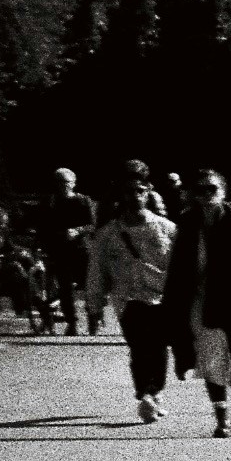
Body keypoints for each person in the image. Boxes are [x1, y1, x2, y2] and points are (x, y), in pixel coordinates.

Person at [163, 170, 231, 436]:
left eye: (212, 189)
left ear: (222, 191)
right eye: (200, 190)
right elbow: (176, 265)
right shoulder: (187, 222)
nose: (207, 195)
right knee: (210, 360)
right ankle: (220, 416)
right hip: (202, 301)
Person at [85, 180, 176, 423]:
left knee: (158, 348)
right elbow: (97, 270)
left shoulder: (166, 229)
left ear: (148, 193)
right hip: (126, 299)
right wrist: (94, 303)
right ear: (121, 196)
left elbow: (180, 268)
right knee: (138, 346)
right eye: (129, 191)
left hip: (159, 298)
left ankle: (155, 391)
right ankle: (144, 395)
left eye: (140, 191)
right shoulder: (108, 234)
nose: (135, 196)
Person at [36, 168, 97, 335]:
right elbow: (42, 227)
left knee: (90, 286)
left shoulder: (84, 201)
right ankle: (72, 322)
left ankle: (93, 318)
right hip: (60, 250)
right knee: (64, 288)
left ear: (74, 184)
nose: (63, 186)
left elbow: (93, 224)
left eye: (66, 182)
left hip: (82, 249)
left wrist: (77, 230)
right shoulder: (50, 202)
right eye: (59, 182)